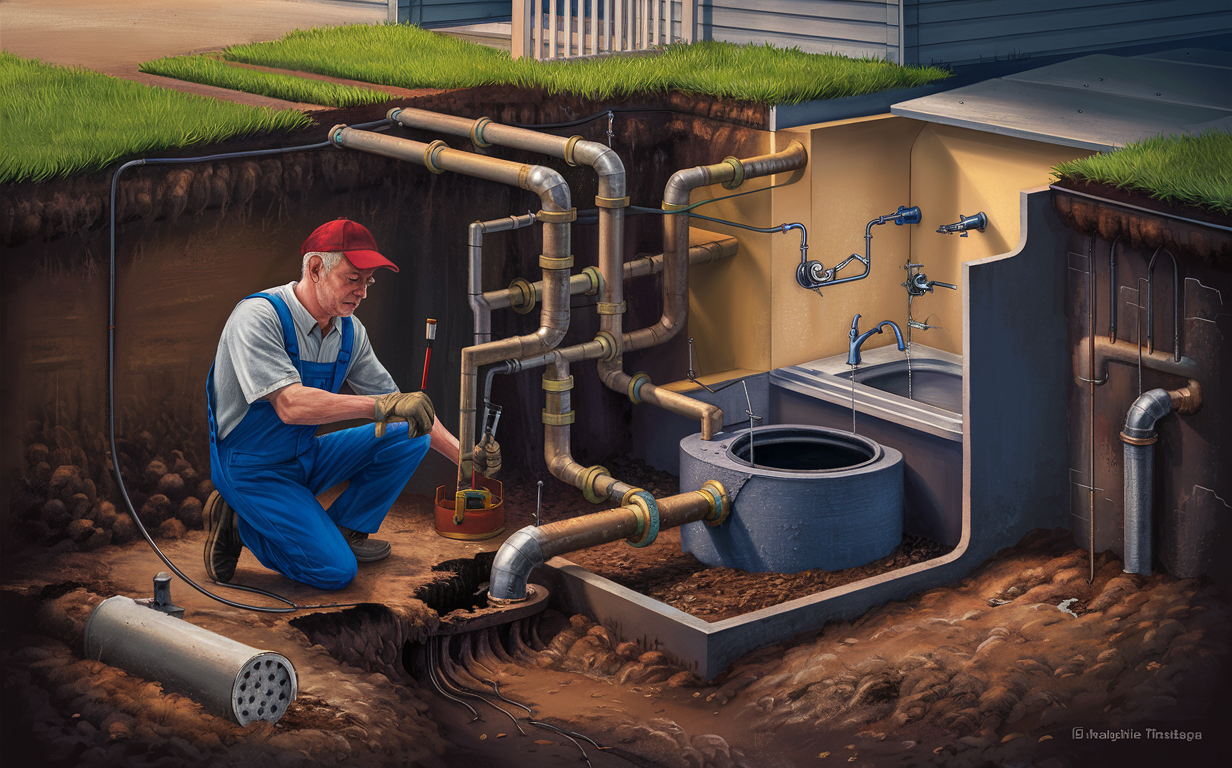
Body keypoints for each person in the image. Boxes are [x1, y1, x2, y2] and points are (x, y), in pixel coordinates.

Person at [203, 219, 458, 589]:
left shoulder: (349, 331)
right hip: (252, 468)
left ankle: (345, 532)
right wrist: (379, 406)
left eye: (368, 281)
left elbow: (402, 407)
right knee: (335, 572)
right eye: (353, 278)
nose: (363, 292)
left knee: (409, 433)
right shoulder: (259, 317)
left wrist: (464, 458)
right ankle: (241, 524)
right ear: (316, 269)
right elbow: (290, 406)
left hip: (304, 457)